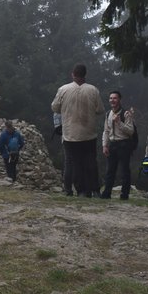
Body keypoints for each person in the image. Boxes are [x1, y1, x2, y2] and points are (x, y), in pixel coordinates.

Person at [51, 64, 104, 197]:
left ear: (73, 74)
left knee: (73, 163)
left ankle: (79, 190)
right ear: (85, 75)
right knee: (91, 162)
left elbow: (55, 108)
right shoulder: (93, 90)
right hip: (89, 133)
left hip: (70, 133)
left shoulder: (63, 89)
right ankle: (95, 190)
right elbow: (100, 110)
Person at [101, 90, 137, 200]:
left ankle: (124, 195)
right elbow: (106, 131)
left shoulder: (126, 113)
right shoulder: (108, 113)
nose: (112, 100)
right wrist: (105, 145)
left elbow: (131, 131)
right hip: (112, 144)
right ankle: (107, 193)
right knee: (110, 170)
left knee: (124, 170)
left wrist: (119, 123)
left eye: (115, 98)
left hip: (124, 144)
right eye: (111, 98)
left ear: (119, 100)